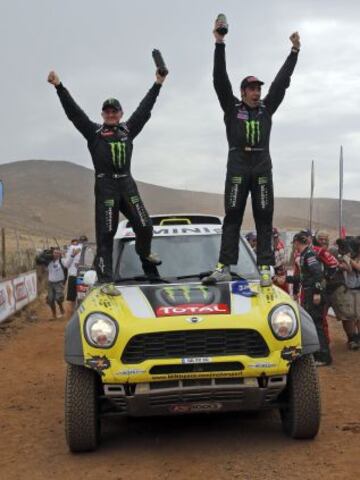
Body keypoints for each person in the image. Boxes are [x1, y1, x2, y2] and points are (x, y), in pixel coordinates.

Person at [203, 16, 300, 286]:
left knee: (264, 216)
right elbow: (219, 79)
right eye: (253, 88)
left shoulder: (267, 109)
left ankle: (265, 267)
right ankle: (223, 266)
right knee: (232, 216)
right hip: (237, 162)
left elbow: (281, 82)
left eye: (259, 88)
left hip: (261, 165)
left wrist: (294, 52)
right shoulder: (232, 109)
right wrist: (219, 43)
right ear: (243, 91)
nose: (257, 92)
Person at [47, 65, 168, 282]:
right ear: (103, 114)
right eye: (107, 112)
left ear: (120, 114)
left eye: (115, 111)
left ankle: (144, 252)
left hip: (127, 184)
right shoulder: (94, 133)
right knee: (106, 234)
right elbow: (74, 114)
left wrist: (157, 84)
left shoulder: (128, 130)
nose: (111, 114)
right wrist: (59, 87)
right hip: (106, 187)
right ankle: (105, 280)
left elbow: (144, 109)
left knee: (145, 224)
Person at [290, 231, 332, 366]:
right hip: (308, 293)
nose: (294, 246)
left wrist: (317, 293)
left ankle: (324, 357)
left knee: (317, 324)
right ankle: (317, 354)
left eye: (294, 243)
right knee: (313, 323)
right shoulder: (304, 255)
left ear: (297, 242)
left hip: (313, 294)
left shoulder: (308, 255)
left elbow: (317, 274)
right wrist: (286, 278)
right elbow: (303, 278)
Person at [46, 248, 66, 320]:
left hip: (59, 283)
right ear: (52, 253)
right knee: (50, 299)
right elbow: (39, 259)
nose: (56, 254)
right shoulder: (48, 261)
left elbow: (67, 265)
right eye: (55, 252)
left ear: (60, 254)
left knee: (58, 298)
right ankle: (54, 314)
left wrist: (72, 256)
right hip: (50, 283)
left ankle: (61, 308)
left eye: (58, 253)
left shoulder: (62, 261)